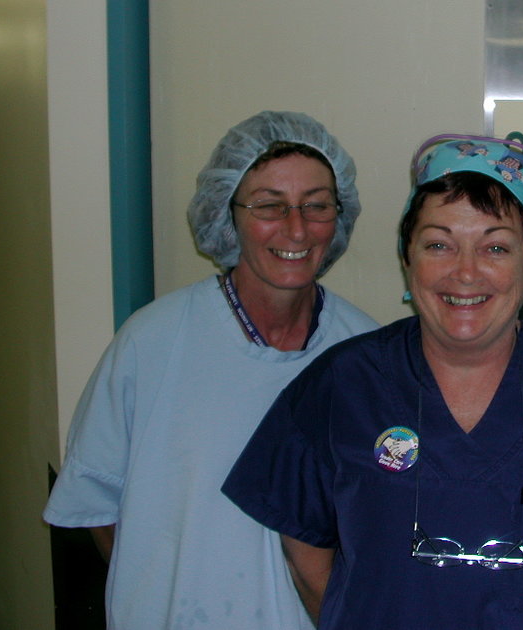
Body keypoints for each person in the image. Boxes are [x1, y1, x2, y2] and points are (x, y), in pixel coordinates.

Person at [222, 133, 523, 629]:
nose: (465, 272)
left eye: (495, 247)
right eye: (439, 244)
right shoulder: (345, 383)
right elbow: (305, 545)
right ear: (406, 257)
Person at [43, 111, 378, 629]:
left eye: (317, 206)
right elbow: (97, 504)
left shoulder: (364, 354)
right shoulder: (152, 343)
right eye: (270, 205)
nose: (296, 228)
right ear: (228, 213)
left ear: (340, 215)